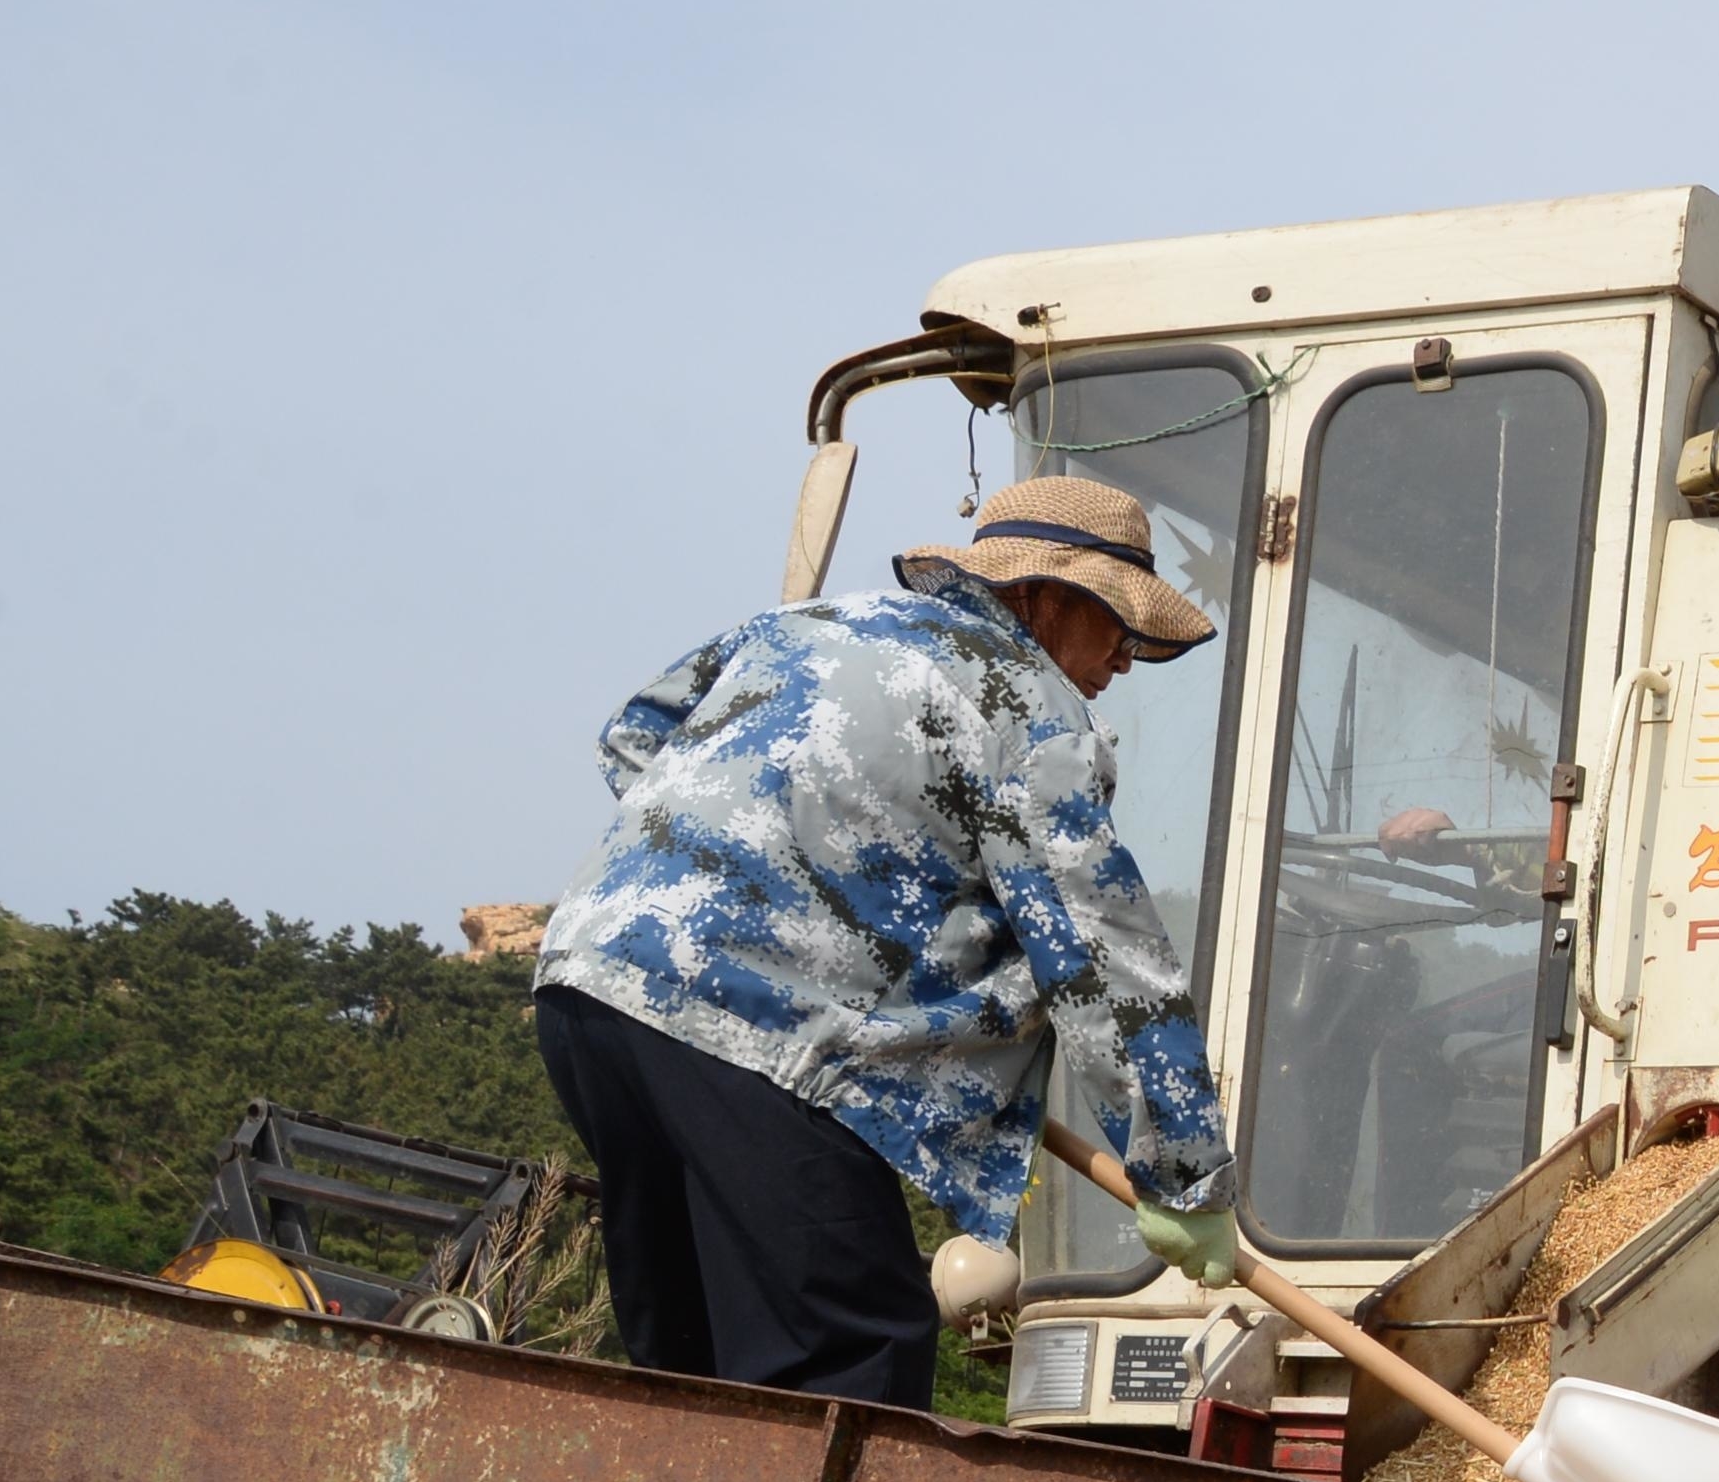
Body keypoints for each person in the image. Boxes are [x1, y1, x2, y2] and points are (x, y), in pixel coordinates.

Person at [530, 479, 1244, 1406]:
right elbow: (1105, 959)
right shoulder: (1027, 709)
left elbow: (638, 739)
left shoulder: (808, 626)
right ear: (1041, 596)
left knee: (694, 1357)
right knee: (851, 1349)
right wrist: (1185, 1174)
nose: (1125, 658)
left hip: (594, 980)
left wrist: (795, 859)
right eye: (1117, 623)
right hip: (758, 1030)